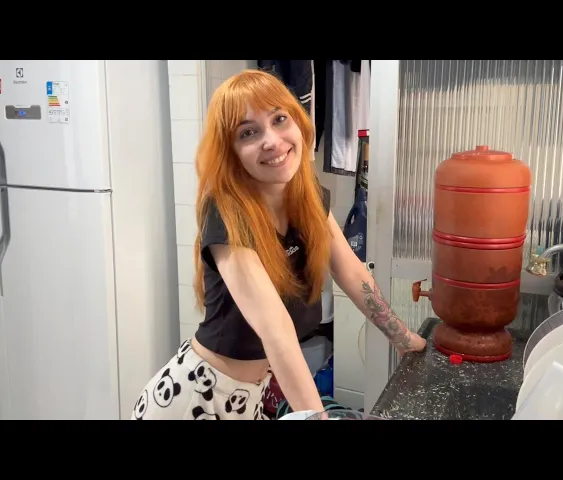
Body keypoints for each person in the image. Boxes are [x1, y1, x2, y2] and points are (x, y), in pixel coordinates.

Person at [130, 69, 426, 420]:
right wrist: (317, 417)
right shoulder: (227, 214)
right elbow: (276, 330)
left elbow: (352, 272)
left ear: (298, 121)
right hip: (197, 398)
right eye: (248, 132)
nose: (271, 141)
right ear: (231, 152)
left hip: (250, 397)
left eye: (279, 119)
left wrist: (404, 339)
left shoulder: (307, 197)